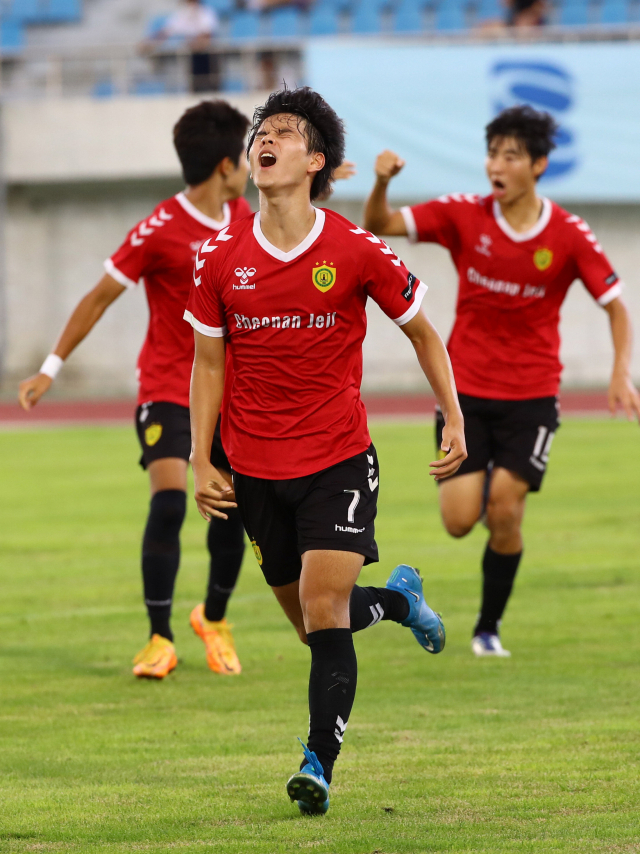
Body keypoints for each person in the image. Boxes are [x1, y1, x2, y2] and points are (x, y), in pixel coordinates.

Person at [185, 86, 467, 814]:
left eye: (283, 132)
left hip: (338, 457)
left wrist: (453, 415)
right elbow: (208, 364)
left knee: (324, 603)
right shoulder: (219, 257)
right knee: (315, 625)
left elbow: (423, 332)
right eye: (260, 133)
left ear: (315, 161)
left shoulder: (353, 248)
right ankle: (400, 602)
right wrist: (201, 457)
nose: (265, 141)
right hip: (253, 467)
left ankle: (319, 763)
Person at [363, 105, 640, 658]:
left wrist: (618, 371)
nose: (496, 164)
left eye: (510, 155)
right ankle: (483, 500)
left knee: (505, 510)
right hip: (463, 395)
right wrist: (381, 182)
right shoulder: (465, 214)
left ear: (537, 165)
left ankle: (487, 629)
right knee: (461, 521)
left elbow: (615, 305)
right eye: (492, 153)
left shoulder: (568, 234)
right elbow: (380, 225)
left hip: (532, 397)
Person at [18, 100, 253, 679]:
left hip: (232, 391)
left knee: (233, 510)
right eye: (245, 156)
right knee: (171, 499)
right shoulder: (160, 229)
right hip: (168, 385)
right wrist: (51, 365)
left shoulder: (250, 220)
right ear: (225, 165)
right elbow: (100, 296)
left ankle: (214, 619)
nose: (250, 167)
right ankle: (158, 638)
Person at [147, 0, 220, 93]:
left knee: (209, 82)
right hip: (192, 54)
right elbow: (166, 31)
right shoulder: (182, 13)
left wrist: (196, 42)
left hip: (206, 55)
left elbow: (207, 34)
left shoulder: (206, 12)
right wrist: (149, 42)